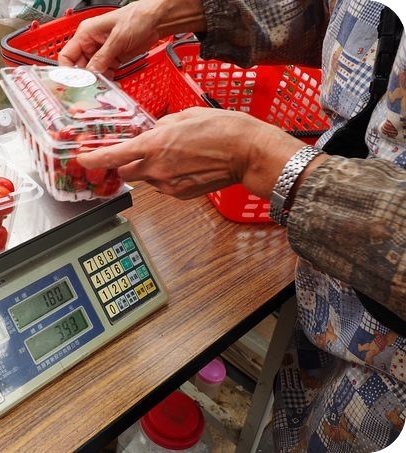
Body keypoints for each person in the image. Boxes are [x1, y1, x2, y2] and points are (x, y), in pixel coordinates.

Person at [59, 0, 406, 451]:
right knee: (291, 429)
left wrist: (264, 161)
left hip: (391, 378)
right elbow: (344, 16)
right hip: (327, 304)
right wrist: (182, 13)